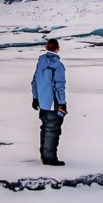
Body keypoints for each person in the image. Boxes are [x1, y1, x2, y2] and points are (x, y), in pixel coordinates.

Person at [30, 38, 68, 166]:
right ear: (57, 48)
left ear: (46, 48)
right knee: (53, 130)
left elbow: (34, 81)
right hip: (54, 104)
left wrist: (35, 98)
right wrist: (62, 103)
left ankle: (45, 155)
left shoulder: (40, 63)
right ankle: (49, 158)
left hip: (43, 103)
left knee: (45, 128)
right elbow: (59, 85)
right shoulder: (58, 65)